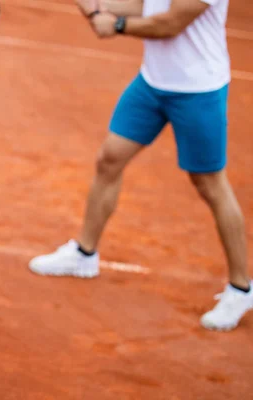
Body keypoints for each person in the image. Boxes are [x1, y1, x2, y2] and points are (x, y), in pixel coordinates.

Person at [29, 0, 252, 331]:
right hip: (152, 85)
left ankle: (241, 288)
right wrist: (98, 6)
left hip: (198, 91)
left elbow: (170, 23)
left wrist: (115, 25)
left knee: (209, 183)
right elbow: (144, 5)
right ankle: (84, 255)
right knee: (110, 158)